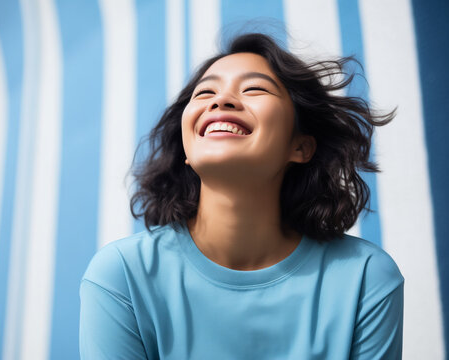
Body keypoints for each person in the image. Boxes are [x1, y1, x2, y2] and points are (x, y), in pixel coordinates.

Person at [79, 33, 403, 359]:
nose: (221, 101)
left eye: (254, 89)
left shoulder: (366, 277)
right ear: (187, 151)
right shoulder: (121, 275)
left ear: (301, 146)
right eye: (205, 92)